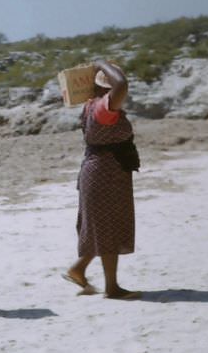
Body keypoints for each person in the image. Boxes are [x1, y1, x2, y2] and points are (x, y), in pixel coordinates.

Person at [63, 60, 142, 300]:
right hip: (105, 173)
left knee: (103, 226)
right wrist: (100, 63)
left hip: (100, 172)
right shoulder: (104, 109)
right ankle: (112, 288)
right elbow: (122, 83)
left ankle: (78, 269)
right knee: (108, 227)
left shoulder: (91, 106)